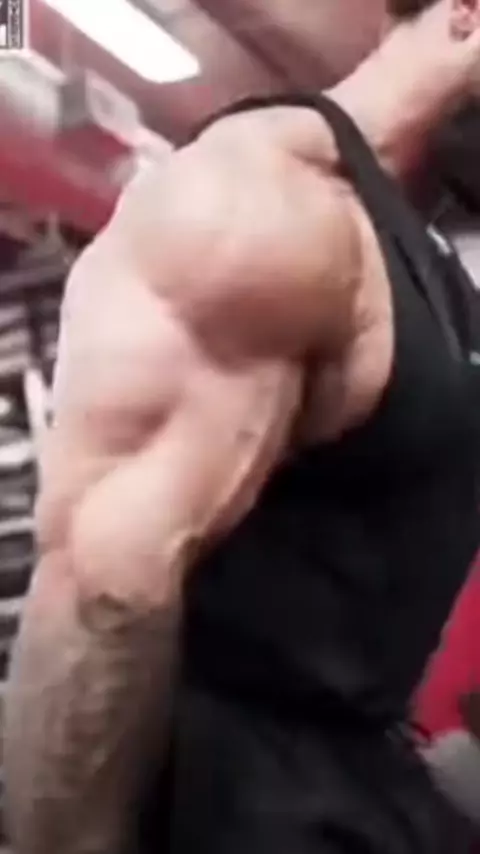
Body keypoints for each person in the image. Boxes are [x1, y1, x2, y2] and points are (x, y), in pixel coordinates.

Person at [5, 0, 480, 852]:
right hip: (227, 808)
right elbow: (109, 579)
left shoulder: (427, 258)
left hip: (357, 785)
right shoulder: (264, 206)